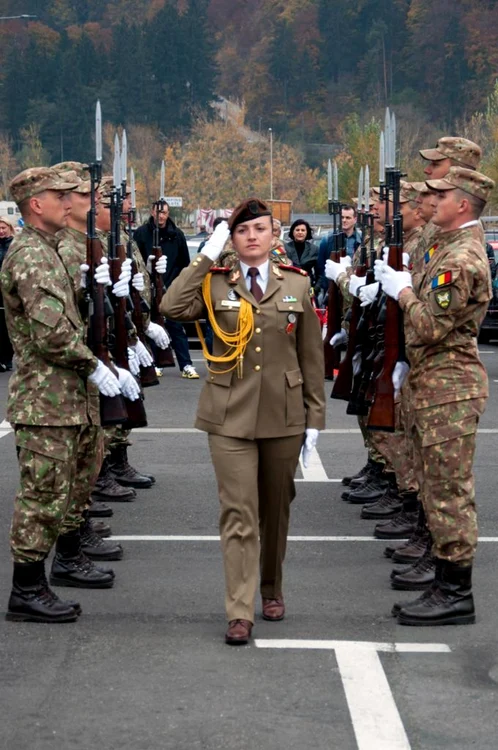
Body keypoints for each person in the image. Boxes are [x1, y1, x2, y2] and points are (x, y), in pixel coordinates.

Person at [161, 198, 325, 645]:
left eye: (259, 229)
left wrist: (315, 419)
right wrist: (206, 255)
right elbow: (171, 306)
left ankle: (271, 588)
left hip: (284, 414)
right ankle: (239, 609)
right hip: (229, 414)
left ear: (274, 236)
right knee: (238, 512)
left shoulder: (297, 285)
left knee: (276, 510)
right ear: (232, 239)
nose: (251, 236)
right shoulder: (216, 283)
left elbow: (311, 356)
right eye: (241, 231)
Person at [0, 167, 138, 622]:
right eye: (58, 195)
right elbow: (51, 334)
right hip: (46, 400)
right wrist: (95, 366)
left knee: (70, 488)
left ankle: (61, 564)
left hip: (68, 397)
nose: (68, 201)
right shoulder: (30, 256)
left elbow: (70, 318)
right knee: (41, 496)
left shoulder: (48, 252)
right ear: (35, 204)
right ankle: (27, 589)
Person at [375, 167, 494, 626]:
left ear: (462, 203)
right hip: (433, 382)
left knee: (449, 492)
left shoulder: (461, 258)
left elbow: (429, 324)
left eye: (441, 194)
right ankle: (444, 579)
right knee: (433, 485)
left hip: (450, 388)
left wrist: (402, 292)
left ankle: (456, 592)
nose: (432, 200)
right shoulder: (447, 246)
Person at [134, 201, 199, 379]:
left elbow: (184, 263)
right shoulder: (141, 233)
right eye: (158, 212)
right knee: (153, 325)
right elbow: (136, 260)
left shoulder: (176, 235)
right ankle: (155, 363)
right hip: (148, 288)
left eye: (164, 213)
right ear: (151, 212)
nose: (161, 216)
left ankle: (186, 364)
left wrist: (177, 285)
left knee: (176, 327)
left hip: (171, 288)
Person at [0, 218, 15, 371]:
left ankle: (7, 359)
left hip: (10, 292)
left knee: (8, 328)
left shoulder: (14, 246)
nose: (1, 231)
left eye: (3, 228)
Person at [284, 219, 318, 283]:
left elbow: (320, 272)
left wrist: (316, 288)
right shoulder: (285, 248)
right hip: (289, 285)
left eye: (303, 230)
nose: (300, 232)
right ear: (293, 232)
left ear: (307, 232)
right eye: (297, 230)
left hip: (307, 286)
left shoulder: (314, 249)